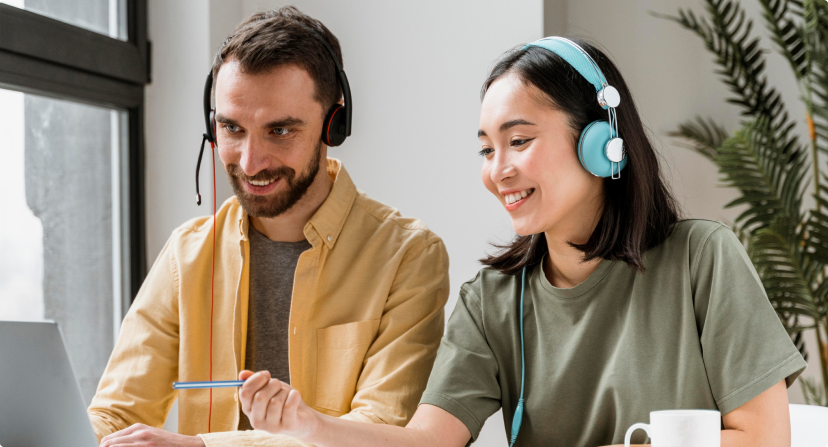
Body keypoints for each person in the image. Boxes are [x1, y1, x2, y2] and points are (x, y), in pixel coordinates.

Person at [234, 37, 807, 447]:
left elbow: (764, 437)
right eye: (487, 149)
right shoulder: (492, 301)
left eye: (519, 141)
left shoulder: (702, 259)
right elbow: (428, 440)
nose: (498, 170)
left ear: (600, 142)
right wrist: (309, 425)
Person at [90, 7, 449, 447]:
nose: (250, 162)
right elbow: (117, 413)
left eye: (279, 131)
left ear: (333, 125)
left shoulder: (409, 256)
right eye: (231, 128)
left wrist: (203, 446)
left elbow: (378, 429)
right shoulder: (188, 254)